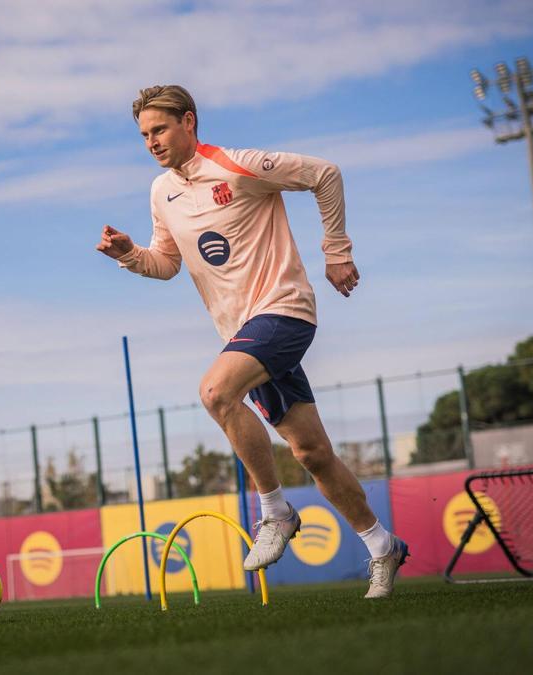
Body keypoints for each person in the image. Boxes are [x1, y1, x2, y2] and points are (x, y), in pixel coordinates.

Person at [96, 85, 408, 598]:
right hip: (243, 334)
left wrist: (336, 250)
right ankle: (381, 544)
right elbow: (167, 263)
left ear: (189, 122)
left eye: (160, 129)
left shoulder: (238, 165)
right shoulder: (161, 192)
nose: (151, 141)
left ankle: (275, 511)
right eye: (144, 135)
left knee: (217, 392)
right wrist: (130, 254)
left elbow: (324, 174)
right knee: (311, 451)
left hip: (285, 311)